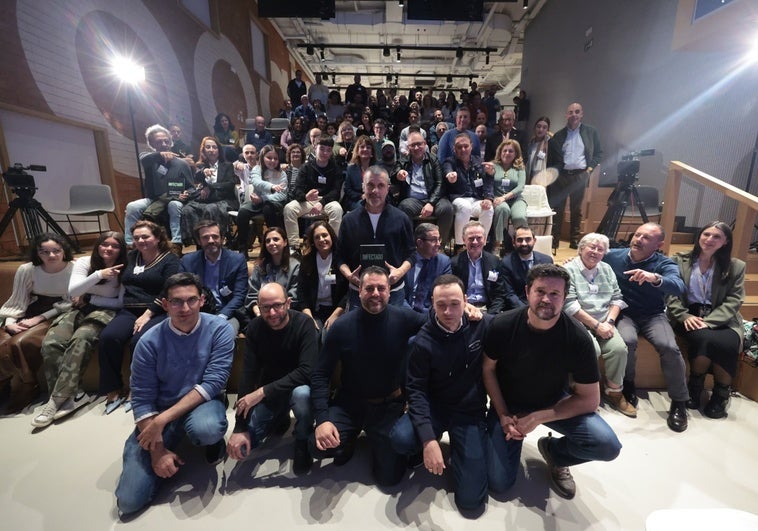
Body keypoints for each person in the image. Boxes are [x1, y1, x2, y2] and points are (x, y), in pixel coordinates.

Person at [483, 264, 622, 499]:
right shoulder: (503, 324)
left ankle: (555, 454)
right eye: (540, 291)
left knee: (607, 445)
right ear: (527, 291)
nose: (546, 299)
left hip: (553, 401)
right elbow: (488, 370)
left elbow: (589, 400)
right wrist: (503, 413)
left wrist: (538, 417)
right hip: (509, 405)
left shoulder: (578, 338)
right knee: (498, 483)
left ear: (564, 297)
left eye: (555, 294)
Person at [114, 272, 234, 516]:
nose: (185, 308)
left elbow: (213, 383)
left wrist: (161, 421)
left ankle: (210, 442)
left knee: (208, 428)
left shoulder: (220, 329)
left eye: (191, 300)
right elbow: (142, 397)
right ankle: (164, 449)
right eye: (177, 302)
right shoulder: (148, 341)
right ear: (166, 304)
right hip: (159, 408)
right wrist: (157, 452)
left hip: (200, 404)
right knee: (128, 502)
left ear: (202, 300)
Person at [309, 266, 427, 486]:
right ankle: (348, 441)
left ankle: (378, 442)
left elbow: (436, 324)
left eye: (381, 288)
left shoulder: (403, 317)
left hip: (388, 405)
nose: (375, 293)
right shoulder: (341, 327)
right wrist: (322, 420)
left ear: (389, 291)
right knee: (317, 446)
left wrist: (467, 310)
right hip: (349, 403)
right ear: (359, 290)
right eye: (369, 288)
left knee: (389, 480)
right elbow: (320, 374)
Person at [390, 275, 491, 512]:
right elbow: (416, 391)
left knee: (470, 502)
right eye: (440, 305)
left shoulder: (482, 324)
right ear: (431, 304)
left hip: (469, 411)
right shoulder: (422, 342)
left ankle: (461, 449)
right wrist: (427, 439)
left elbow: (514, 322)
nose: (447, 311)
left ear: (466, 301)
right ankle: (425, 449)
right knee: (401, 438)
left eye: (455, 304)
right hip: (435, 408)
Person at [33, 232, 127, 427]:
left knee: (82, 338)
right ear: (97, 246)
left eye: (114, 246)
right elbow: (73, 292)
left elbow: (120, 302)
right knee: (51, 342)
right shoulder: (85, 263)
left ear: (121, 249)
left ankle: (55, 400)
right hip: (77, 308)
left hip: (106, 312)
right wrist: (99, 275)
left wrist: (90, 298)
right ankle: (72, 395)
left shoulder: (126, 267)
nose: (108, 249)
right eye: (104, 245)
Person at [603, 223, 689, 432]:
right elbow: (588, 259)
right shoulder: (614, 255)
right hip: (624, 313)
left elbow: (679, 286)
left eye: (646, 238)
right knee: (628, 341)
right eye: (637, 234)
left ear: (658, 244)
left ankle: (679, 401)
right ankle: (629, 385)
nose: (638, 239)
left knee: (669, 346)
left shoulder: (663, 262)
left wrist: (654, 278)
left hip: (653, 315)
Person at [227, 282, 317, 473]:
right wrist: (239, 427)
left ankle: (303, 437)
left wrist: (262, 392)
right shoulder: (254, 328)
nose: (272, 312)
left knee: (302, 395)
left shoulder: (304, 324)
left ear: (288, 303)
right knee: (245, 444)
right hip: (271, 394)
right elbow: (247, 375)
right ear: (258, 307)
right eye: (266, 307)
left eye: (277, 305)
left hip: (296, 388)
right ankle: (280, 416)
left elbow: (306, 371)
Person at [98, 220, 180, 413]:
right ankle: (113, 388)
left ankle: (137, 390)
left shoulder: (170, 260)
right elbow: (104, 264)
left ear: (158, 237)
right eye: (136, 238)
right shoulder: (131, 256)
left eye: (145, 237)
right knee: (108, 338)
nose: (140, 241)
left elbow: (169, 289)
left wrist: (148, 313)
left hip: (158, 310)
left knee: (140, 341)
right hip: (129, 309)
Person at [666, 221, 745, 419]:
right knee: (703, 338)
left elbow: (735, 299)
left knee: (727, 343)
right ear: (699, 236)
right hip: (688, 314)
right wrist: (684, 315)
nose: (709, 239)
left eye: (716, 236)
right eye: (706, 234)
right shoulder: (679, 260)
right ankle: (695, 387)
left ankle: (721, 395)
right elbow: (671, 293)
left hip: (722, 317)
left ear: (725, 241)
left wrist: (710, 321)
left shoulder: (736, 266)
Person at [563, 233, 635, 417]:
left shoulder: (607, 269)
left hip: (605, 321)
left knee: (619, 349)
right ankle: (580, 393)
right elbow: (570, 305)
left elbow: (617, 298)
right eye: (591, 247)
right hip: (578, 321)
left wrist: (609, 322)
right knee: (591, 350)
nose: (595, 252)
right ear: (581, 249)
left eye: (600, 249)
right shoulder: (568, 270)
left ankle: (614, 393)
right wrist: (597, 326)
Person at [0, 234, 74, 412]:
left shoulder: (74, 268)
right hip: (29, 309)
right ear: (37, 253)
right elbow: (18, 300)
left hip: (57, 311)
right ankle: (4, 384)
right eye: (45, 252)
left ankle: (27, 386)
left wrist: (39, 318)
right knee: (3, 340)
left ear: (64, 251)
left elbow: (70, 301)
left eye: (56, 250)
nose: (51, 256)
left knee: (20, 342)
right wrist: (10, 322)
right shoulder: (27, 269)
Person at [337, 166, 415, 309]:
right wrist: (349, 276)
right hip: (359, 292)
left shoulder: (401, 218)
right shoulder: (348, 220)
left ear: (388, 188)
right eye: (370, 185)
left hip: (393, 291)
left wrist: (400, 272)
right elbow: (339, 257)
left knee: (392, 331)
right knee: (360, 331)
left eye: (381, 186)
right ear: (363, 187)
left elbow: (411, 254)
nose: (375, 191)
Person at [124, 124, 193, 254]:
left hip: (175, 198)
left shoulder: (182, 163)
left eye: (166, 141)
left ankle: (176, 243)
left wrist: (186, 193)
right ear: (152, 144)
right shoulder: (149, 160)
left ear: (171, 142)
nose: (164, 144)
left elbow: (191, 187)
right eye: (159, 141)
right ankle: (130, 245)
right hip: (153, 199)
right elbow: (144, 159)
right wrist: (159, 155)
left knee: (174, 205)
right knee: (132, 206)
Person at [547, 102, 602, 250]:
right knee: (557, 209)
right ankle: (555, 240)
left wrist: (590, 169)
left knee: (576, 210)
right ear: (566, 115)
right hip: (562, 176)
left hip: (580, 175)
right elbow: (553, 160)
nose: (574, 115)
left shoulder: (591, 132)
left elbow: (599, 153)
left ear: (581, 114)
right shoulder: (558, 136)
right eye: (571, 112)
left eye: (577, 112)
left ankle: (574, 240)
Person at [179, 220, 248, 334]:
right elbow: (180, 291)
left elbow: (240, 295)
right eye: (205, 237)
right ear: (199, 241)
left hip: (227, 312)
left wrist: (221, 316)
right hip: (195, 312)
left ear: (222, 238)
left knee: (225, 335)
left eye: (215, 236)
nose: (211, 241)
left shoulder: (237, 260)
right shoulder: (188, 261)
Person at [282, 137, 344, 252]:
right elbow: (296, 190)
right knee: (289, 209)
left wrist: (322, 202)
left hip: (327, 201)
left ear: (331, 151)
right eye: (322, 149)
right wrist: (305, 196)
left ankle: (332, 246)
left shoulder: (336, 168)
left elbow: (336, 192)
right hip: (307, 201)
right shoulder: (306, 167)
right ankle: (294, 247)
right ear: (315, 147)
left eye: (328, 150)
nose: (325, 153)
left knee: (337, 209)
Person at [394, 130, 454, 242]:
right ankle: (410, 246)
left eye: (419, 144)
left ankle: (439, 245)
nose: (416, 148)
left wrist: (431, 203)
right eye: (413, 145)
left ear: (425, 144)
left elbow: (440, 183)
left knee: (447, 208)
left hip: (434, 199)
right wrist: (398, 175)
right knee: (403, 207)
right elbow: (394, 173)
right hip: (413, 200)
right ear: (408, 147)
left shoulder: (433, 159)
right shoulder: (404, 160)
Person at [180, 136, 239, 244]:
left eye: (214, 147)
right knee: (187, 210)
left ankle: (216, 239)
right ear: (203, 150)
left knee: (210, 209)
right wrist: (203, 172)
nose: (211, 150)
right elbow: (197, 176)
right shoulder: (200, 166)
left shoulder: (227, 165)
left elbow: (230, 184)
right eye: (208, 147)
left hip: (224, 199)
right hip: (204, 199)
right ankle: (198, 242)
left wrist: (211, 187)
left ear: (218, 150)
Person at [294, 220, 347, 336]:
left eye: (325, 235)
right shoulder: (307, 261)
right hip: (314, 311)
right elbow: (301, 292)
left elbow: (348, 292)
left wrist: (336, 315)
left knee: (328, 336)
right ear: (313, 241)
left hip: (337, 310)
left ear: (331, 236)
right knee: (312, 335)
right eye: (317, 237)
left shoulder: (341, 260)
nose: (322, 240)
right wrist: (309, 318)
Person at [235, 145, 288, 259]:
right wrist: (272, 187)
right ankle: (242, 248)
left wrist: (263, 199)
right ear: (263, 157)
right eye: (269, 157)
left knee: (268, 208)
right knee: (243, 211)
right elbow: (256, 182)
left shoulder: (282, 174)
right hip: (256, 202)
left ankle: (272, 246)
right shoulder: (257, 169)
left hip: (273, 203)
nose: (273, 161)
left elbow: (282, 195)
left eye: (276, 158)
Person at [443, 134, 494, 248]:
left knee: (488, 208)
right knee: (465, 207)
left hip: (476, 199)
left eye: (466, 146)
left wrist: (488, 198)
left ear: (471, 146)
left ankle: (481, 244)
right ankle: (460, 245)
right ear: (454, 149)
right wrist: (450, 175)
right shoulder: (450, 161)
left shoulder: (479, 161)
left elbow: (488, 181)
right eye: (459, 147)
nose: (463, 149)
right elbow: (448, 170)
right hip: (458, 198)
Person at [451, 221, 506, 314]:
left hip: (488, 309)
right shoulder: (454, 263)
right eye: (471, 238)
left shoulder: (495, 261)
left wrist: (491, 315)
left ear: (484, 240)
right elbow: (452, 292)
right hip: (464, 309)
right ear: (464, 240)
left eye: (479, 238)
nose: (475, 242)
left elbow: (499, 294)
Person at [245, 227, 300, 318]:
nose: (271, 243)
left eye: (276, 239)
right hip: (261, 315)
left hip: (286, 315)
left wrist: (275, 314)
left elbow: (294, 297)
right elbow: (252, 295)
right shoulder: (260, 266)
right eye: (268, 241)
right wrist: (260, 314)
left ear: (285, 242)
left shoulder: (295, 266)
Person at [488, 139, 528, 256]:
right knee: (503, 209)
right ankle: (497, 245)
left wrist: (504, 197)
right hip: (497, 198)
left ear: (516, 153)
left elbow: (520, 187)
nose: (507, 153)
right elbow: (488, 182)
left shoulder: (520, 168)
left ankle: (521, 245)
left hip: (516, 199)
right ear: (500, 152)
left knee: (520, 217)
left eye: (511, 151)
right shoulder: (493, 165)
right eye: (504, 150)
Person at [501, 226, 553, 309]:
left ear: (534, 241)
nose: (524, 243)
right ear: (513, 242)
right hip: (517, 309)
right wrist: (526, 311)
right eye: (520, 240)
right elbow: (509, 294)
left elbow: (550, 288)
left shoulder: (547, 261)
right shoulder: (506, 263)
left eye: (528, 239)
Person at [404, 223, 452, 312]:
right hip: (406, 313)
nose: (438, 244)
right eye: (434, 240)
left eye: (439, 239)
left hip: (431, 315)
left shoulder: (443, 262)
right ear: (420, 243)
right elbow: (399, 294)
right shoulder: (405, 261)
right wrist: (409, 314)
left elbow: (445, 293)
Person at [342, 135, 376, 212]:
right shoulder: (351, 169)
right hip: (356, 200)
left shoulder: (377, 169)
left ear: (372, 151)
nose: (365, 149)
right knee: (365, 206)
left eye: (368, 147)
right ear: (357, 151)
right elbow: (348, 189)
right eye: (362, 147)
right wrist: (361, 196)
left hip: (374, 198)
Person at [525, 116, 551, 182]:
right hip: (530, 176)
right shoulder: (530, 143)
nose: (541, 129)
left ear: (547, 130)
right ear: (534, 128)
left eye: (544, 127)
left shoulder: (549, 143)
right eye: (538, 126)